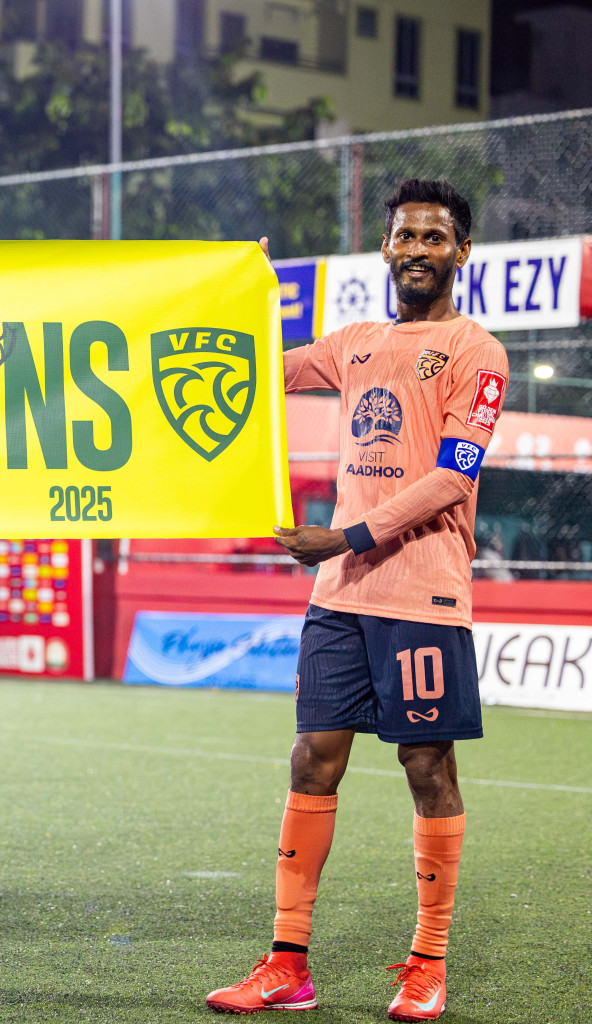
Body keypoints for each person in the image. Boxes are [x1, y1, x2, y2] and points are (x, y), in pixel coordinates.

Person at [206, 179, 507, 1021]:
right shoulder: (357, 341)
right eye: (406, 236)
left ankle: (426, 963)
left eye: (436, 238)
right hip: (341, 595)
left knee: (425, 766)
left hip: (421, 591)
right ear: (386, 248)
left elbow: (453, 474)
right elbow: (259, 373)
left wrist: (345, 537)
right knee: (313, 758)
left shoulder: (478, 351)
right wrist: (245, 295)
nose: (418, 249)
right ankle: (287, 962)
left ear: (462, 253)